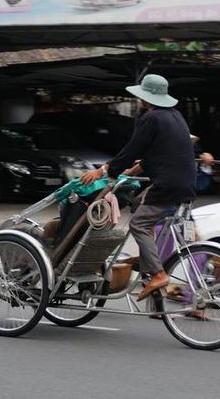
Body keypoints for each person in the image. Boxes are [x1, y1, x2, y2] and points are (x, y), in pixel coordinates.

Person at [81, 74, 196, 301]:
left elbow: (132, 150)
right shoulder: (176, 116)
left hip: (167, 184)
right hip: (186, 183)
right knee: (139, 207)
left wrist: (103, 171)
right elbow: (160, 153)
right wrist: (132, 171)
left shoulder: (150, 118)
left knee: (138, 224)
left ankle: (157, 273)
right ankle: (146, 266)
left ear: (145, 99)